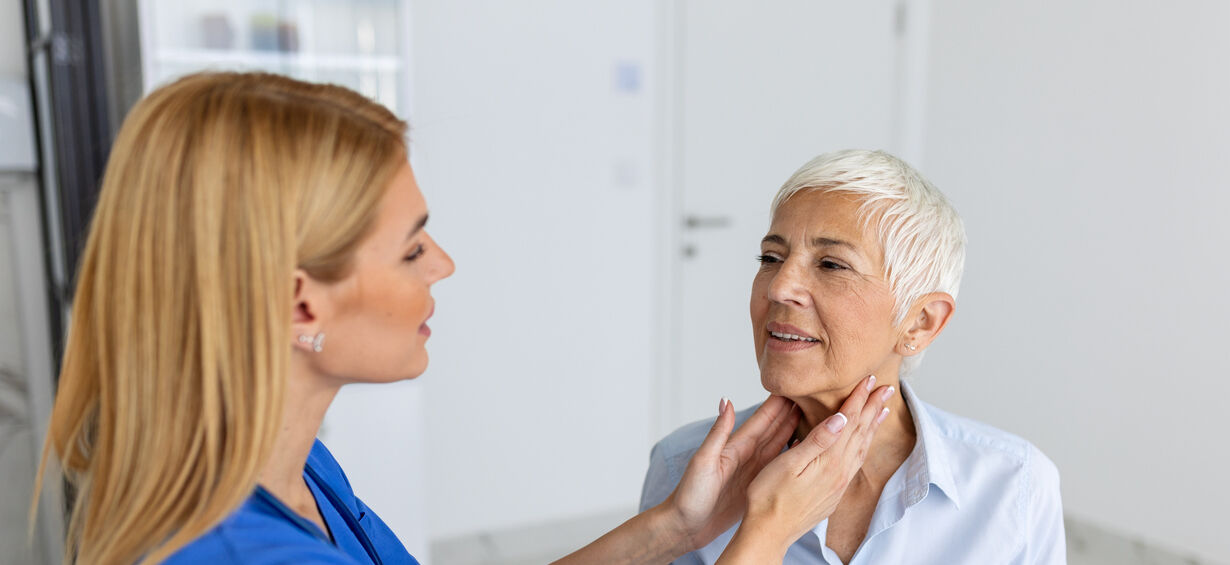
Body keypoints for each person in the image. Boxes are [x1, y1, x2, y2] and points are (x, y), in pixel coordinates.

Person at [33, 72, 894, 565]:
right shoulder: (244, 554)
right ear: (303, 301)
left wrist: (677, 526)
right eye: (413, 249)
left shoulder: (282, 466)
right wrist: (767, 534)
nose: (444, 264)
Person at [640, 149, 1067, 564]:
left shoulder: (1016, 486)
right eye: (771, 257)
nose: (778, 287)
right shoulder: (683, 469)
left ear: (920, 322)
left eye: (831, 265)